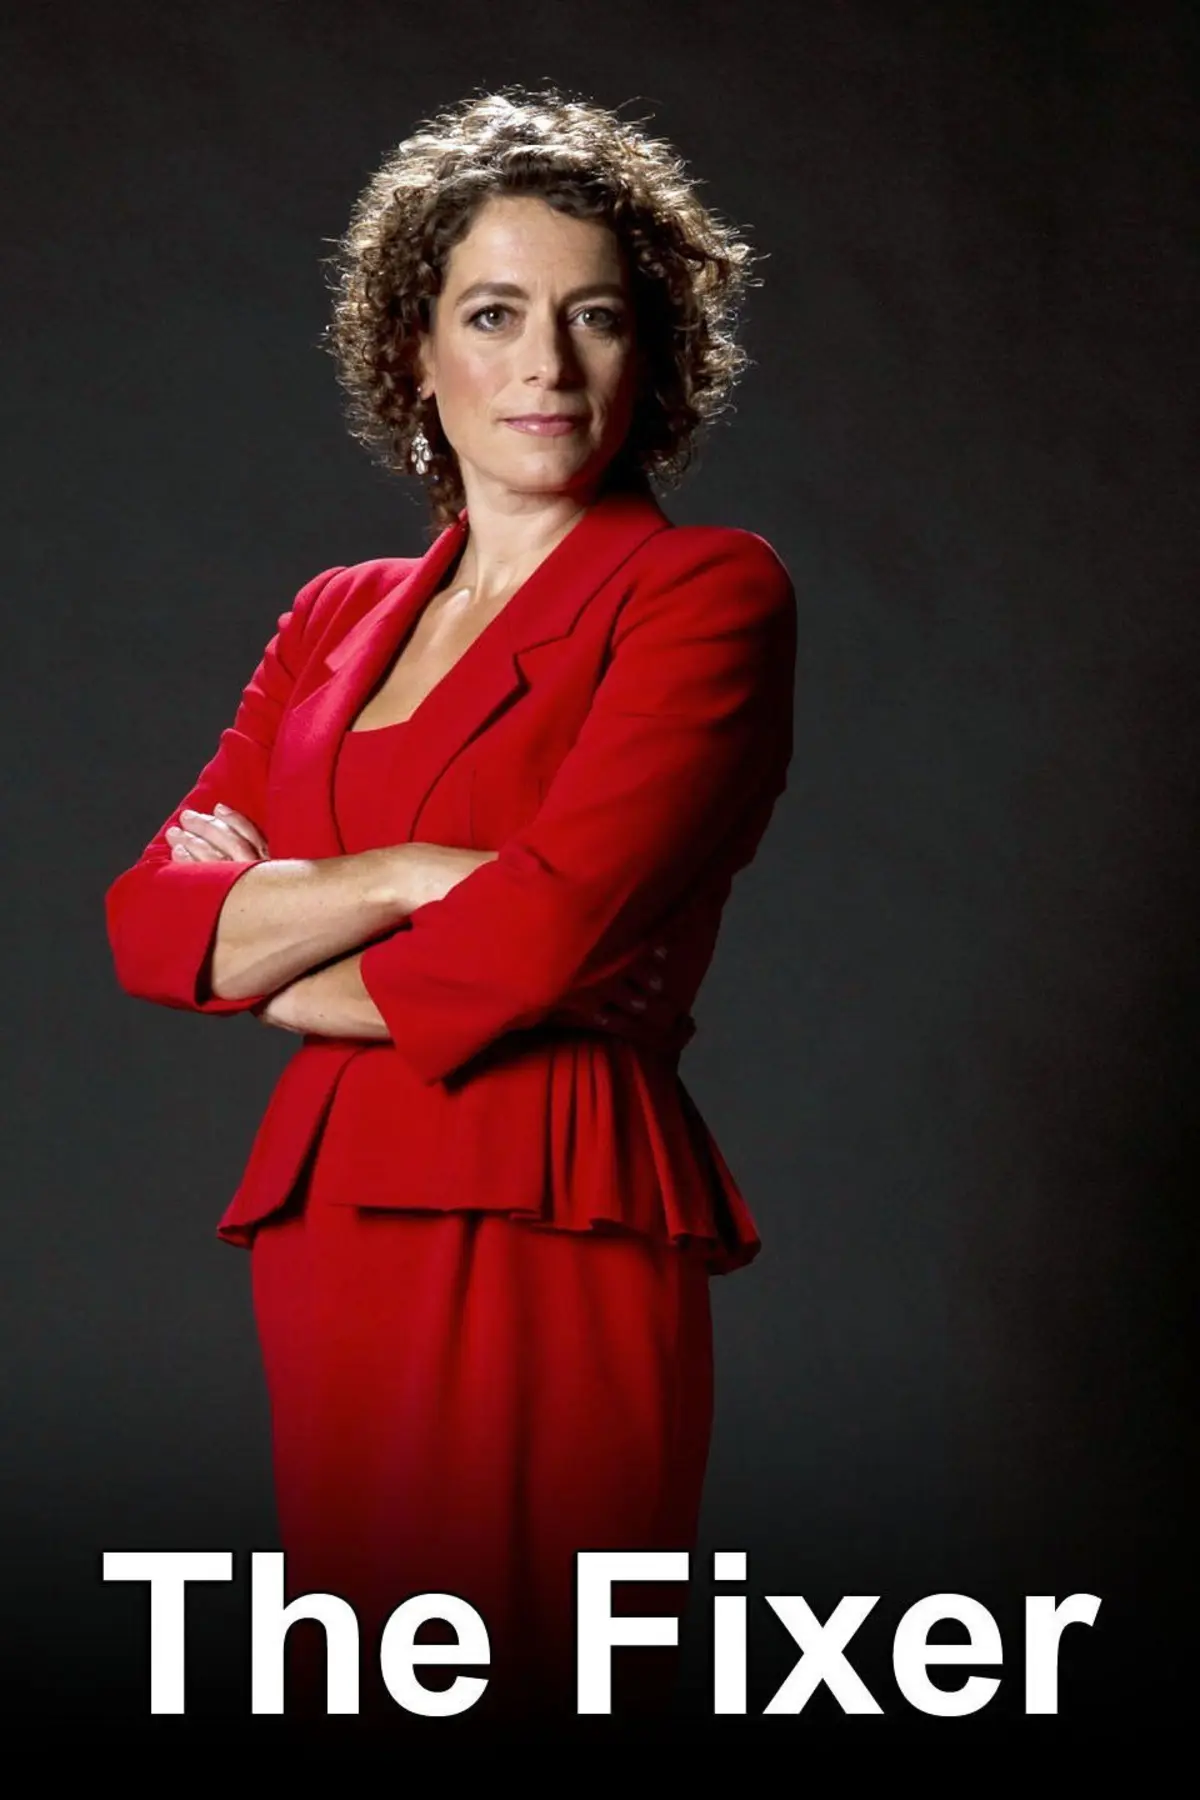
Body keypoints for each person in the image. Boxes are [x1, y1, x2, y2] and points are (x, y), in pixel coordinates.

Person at [104, 86, 797, 1732]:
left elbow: (541, 938)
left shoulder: (704, 592)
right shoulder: (334, 616)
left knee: (542, 1667)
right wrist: (411, 878)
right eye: (493, 314)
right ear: (415, 350)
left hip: (549, 1190)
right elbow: (146, 923)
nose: (545, 363)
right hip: (335, 1213)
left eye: (594, 316)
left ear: (651, 351)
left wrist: (277, 944)